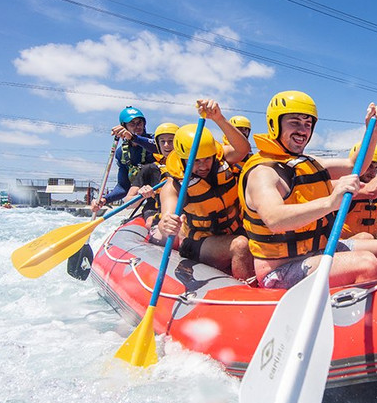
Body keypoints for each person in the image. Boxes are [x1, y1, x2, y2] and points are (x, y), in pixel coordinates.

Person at [238, 90, 377, 289]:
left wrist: (373, 133)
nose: (303, 130)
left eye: (307, 124)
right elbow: (275, 220)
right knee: (367, 263)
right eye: (294, 122)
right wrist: (330, 202)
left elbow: (356, 166)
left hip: (315, 251)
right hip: (281, 269)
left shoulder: (306, 163)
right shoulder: (263, 172)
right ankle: (352, 314)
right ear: (274, 124)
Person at [155, 100, 254, 279]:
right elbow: (165, 220)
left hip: (233, 229)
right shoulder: (174, 185)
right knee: (241, 245)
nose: (203, 166)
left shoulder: (221, 158)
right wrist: (166, 224)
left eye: (207, 159)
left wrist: (218, 118)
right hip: (198, 242)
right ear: (183, 159)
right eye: (196, 161)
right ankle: (247, 292)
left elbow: (243, 149)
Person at [91, 106, 158, 213]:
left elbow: (157, 147)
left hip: (161, 191)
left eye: (139, 123)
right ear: (124, 126)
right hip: (143, 193)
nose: (137, 126)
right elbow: (123, 186)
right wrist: (105, 199)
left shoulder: (156, 140)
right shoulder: (121, 153)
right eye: (132, 123)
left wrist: (133, 137)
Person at [125, 122, 179, 234]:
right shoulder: (149, 169)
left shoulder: (187, 169)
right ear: (158, 145)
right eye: (162, 141)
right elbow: (128, 203)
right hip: (154, 211)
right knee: (150, 222)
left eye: (171, 141)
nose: (166, 145)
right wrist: (141, 194)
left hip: (180, 212)